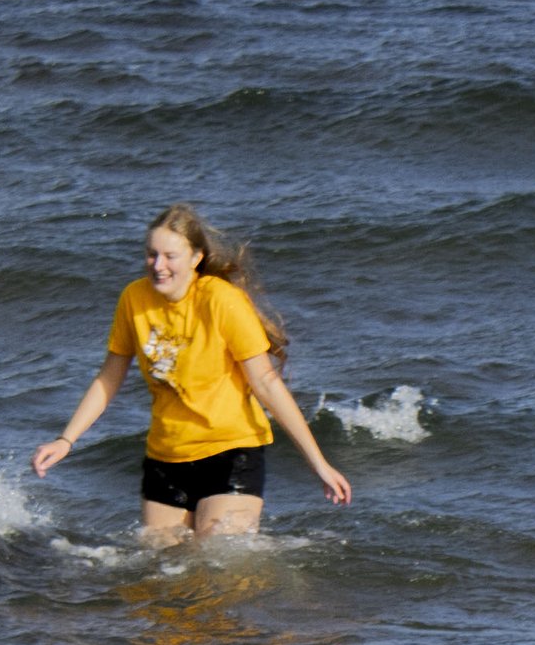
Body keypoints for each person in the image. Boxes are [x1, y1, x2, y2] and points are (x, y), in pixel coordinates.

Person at [33, 205, 352, 538]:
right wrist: (66, 440)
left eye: (170, 256)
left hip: (231, 452)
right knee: (164, 573)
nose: (159, 266)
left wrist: (319, 464)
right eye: (151, 255)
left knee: (223, 570)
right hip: (166, 456)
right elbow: (109, 378)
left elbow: (267, 383)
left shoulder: (222, 301)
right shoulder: (134, 299)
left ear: (196, 257)